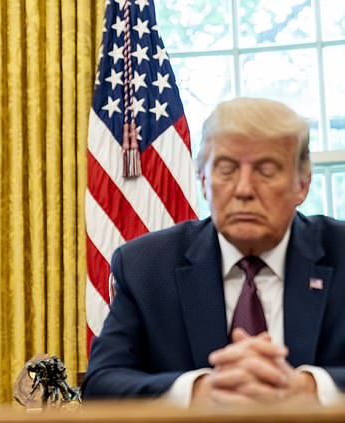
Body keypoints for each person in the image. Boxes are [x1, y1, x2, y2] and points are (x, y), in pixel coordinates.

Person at [81, 97, 345, 406]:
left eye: (267, 170)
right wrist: (201, 391)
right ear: (204, 182)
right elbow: (101, 384)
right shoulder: (146, 267)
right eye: (226, 169)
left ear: (302, 185)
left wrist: (310, 388)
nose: (244, 189)